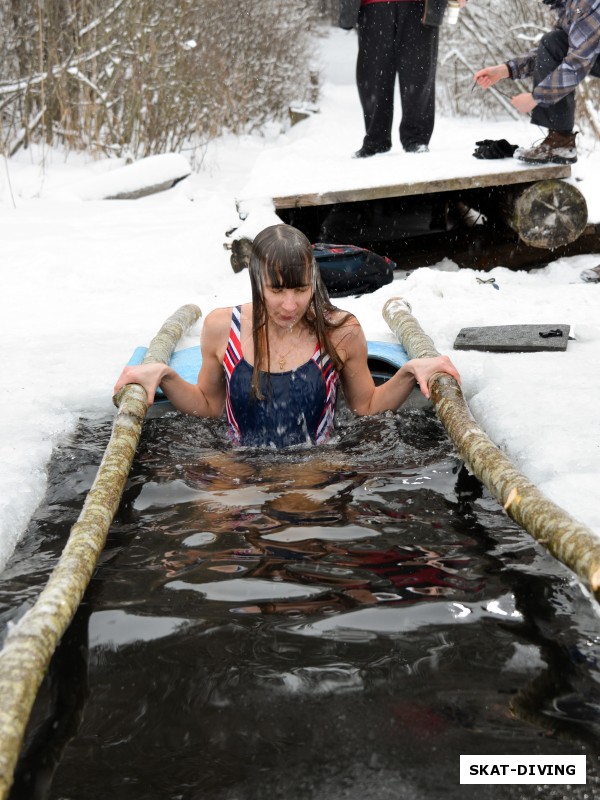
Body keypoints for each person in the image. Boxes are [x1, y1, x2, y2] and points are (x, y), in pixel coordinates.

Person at [114, 224, 460, 448]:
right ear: (256, 282)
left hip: (314, 465)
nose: (290, 304)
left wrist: (410, 371)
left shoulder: (340, 332)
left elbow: (366, 406)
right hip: (238, 464)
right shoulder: (223, 329)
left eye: (300, 289)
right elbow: (208, 406)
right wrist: (165, 375)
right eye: (277, 290)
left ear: (314, 281)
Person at [473, 0, 600, 165]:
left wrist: (536, 98)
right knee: (553, 41)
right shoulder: (568, 6)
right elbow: (553, 51)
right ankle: (560, 141)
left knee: (554, 43)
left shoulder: (586, 4)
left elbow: (576, 64)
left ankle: (560, 142)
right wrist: (505, 70)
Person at [339, 0, 467, 158]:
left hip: (420, 6)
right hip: (372, 6)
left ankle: (416, 138)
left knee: (419, 73)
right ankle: (376, 139)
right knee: (373, 75)